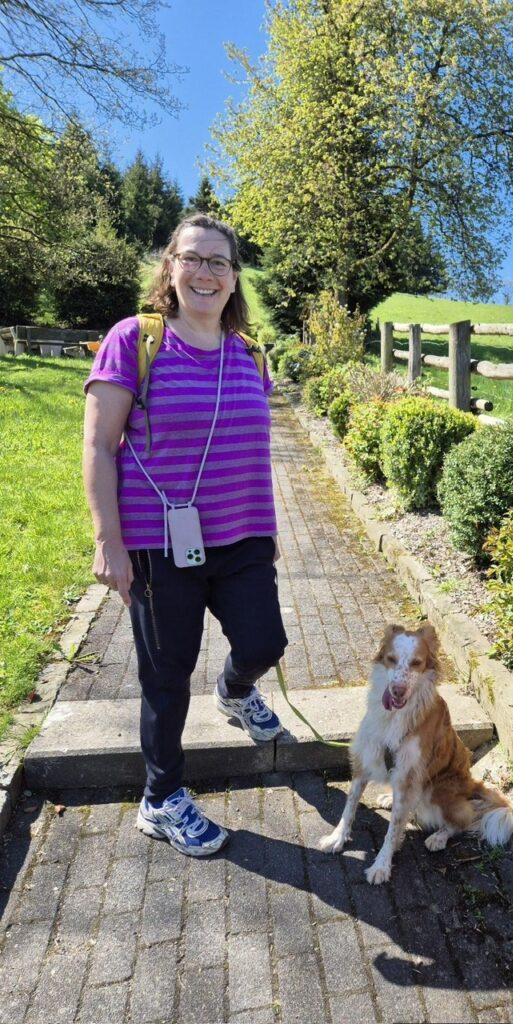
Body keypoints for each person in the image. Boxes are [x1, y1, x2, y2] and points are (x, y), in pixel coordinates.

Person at [83, 213, 287, 857]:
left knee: (265, 642)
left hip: (242, 536)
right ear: (170, 267)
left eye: (218, 262)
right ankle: (161, 798)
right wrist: (108, 542)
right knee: (167, 674)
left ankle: (234, 691)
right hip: (157, 542)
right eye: (192, 258)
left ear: (234, 277)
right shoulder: (134, 340)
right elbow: (98, 445)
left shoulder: (249, 352)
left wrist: (268, 528)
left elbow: (252, 448)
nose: (205, 272)